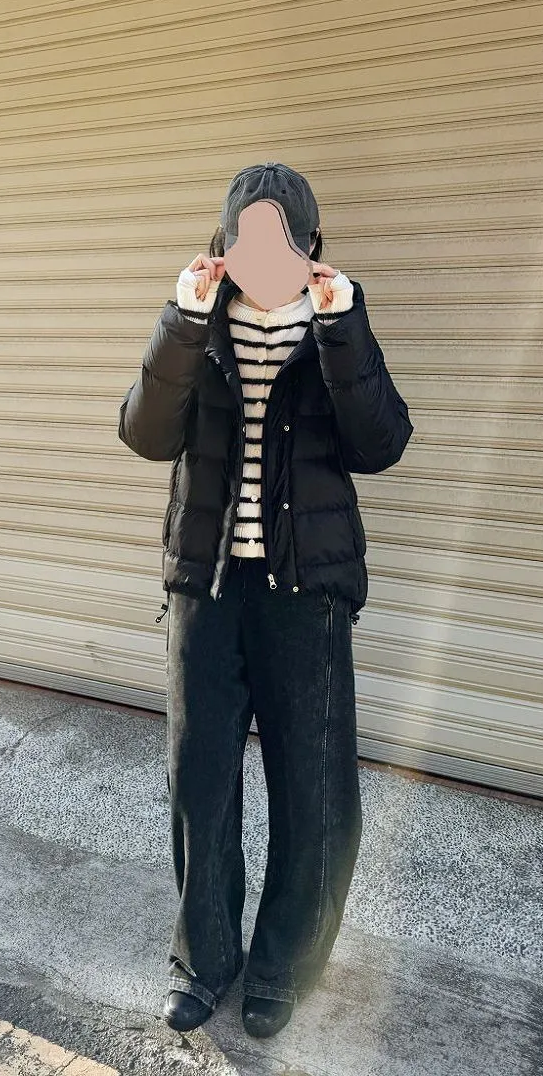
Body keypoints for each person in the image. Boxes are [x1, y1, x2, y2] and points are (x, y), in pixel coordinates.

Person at [117, 161, 414, 1038]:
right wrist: (180, 319)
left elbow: (381, 443)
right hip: (207, 586)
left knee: (313, 793)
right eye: (246, 240)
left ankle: (285, 963)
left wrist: (343, 327)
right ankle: (204, 960)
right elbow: (144, 432)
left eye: (283, 241)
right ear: (223, 243)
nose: (263, 259)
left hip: (306, 592)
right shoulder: (197, 323)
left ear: (312, 247)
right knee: (199, 785)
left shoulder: (336, 324)